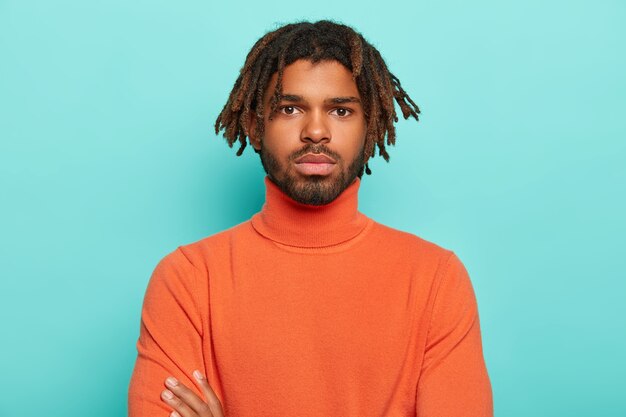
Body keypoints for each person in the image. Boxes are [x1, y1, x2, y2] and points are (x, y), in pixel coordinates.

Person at [128, 19, 493, 417]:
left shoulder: (435, 280)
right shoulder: (188, 280)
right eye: (290, 108)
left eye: (340, 110)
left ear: (368, 126)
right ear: (254, 126)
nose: (315, 131)